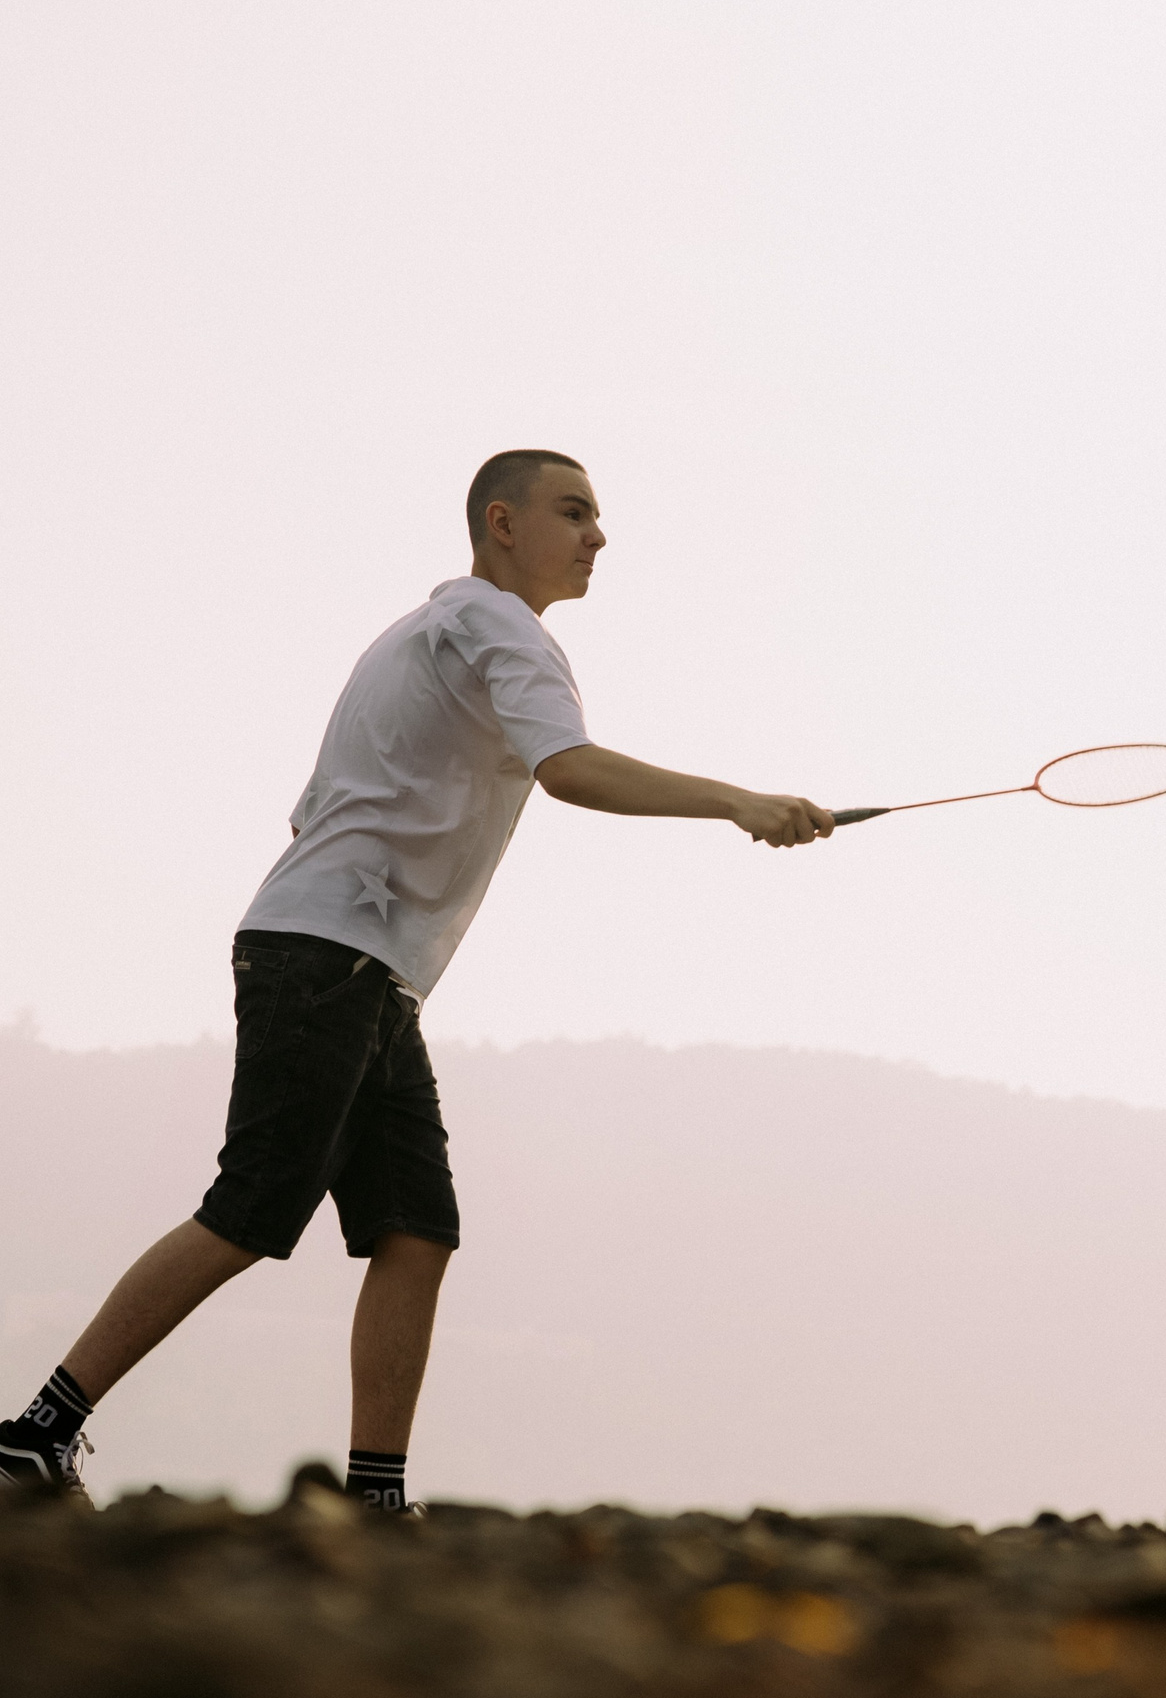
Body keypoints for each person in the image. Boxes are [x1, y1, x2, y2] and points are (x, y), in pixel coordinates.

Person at [0, 450, 837, 1510]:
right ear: (501, 521)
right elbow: (569, 767)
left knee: (415, 1230)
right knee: (253, 1206)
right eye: (573, 511)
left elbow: (310, 815)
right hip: (331, 958)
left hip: (363, 966)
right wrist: (739, 800)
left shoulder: (420, 632)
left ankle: (374, 1497)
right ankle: (36, 1431)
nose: (597, 535)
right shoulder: (505, 629)